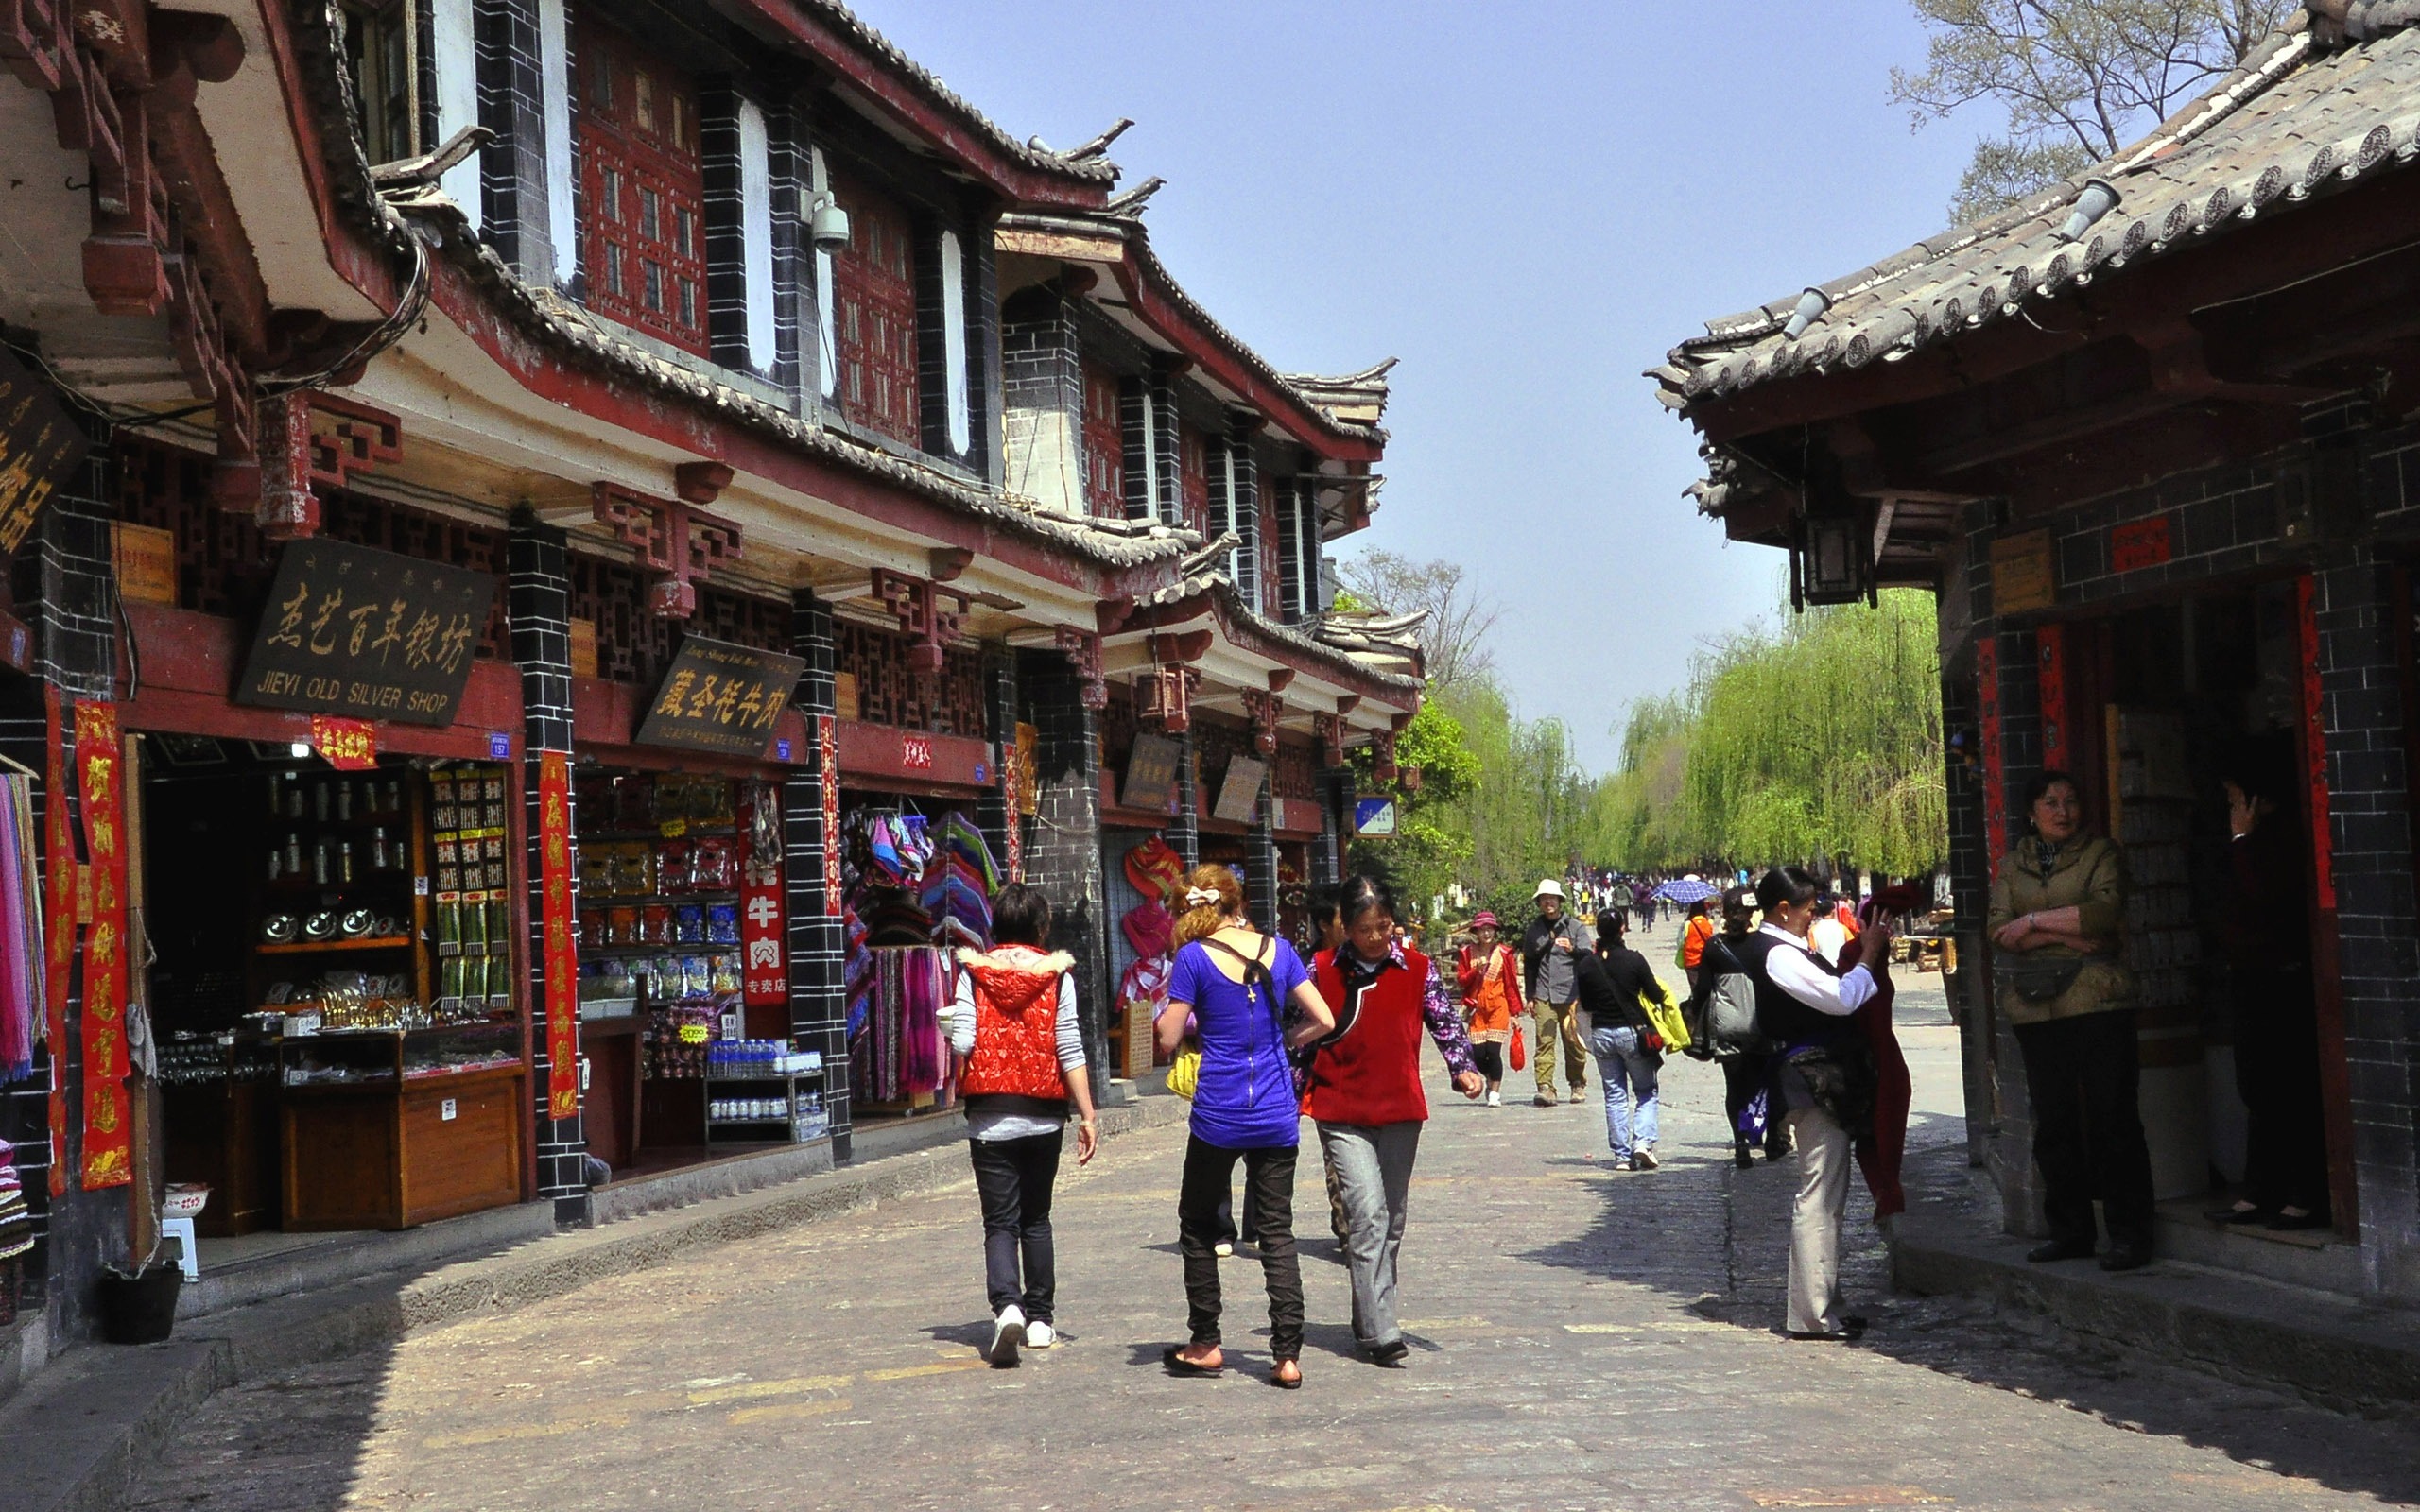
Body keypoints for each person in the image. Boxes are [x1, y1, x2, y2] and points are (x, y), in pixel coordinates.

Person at [1154, 865, 1335, 1388]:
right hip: (1277, 1113)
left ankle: (1207, 1341)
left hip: (1218, 1114)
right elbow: (1323, 1018)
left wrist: (1174, 1019)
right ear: (1238, 903)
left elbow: (1168, 1036)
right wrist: (1288, 1042)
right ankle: (1286, 1356)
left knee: (1197, 1224)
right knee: (1277, 1231)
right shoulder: (1280, 951)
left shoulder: (1192, 958)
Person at [1304, 876, 1484, 1364]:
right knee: (1367, 1216)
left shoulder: (1418, 968)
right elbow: (1295, 1032)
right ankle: (1384, 1329)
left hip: (1401, 1107)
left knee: (1393, 1222)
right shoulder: (1320, 970)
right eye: (1365, 929)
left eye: (1383, 926)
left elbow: (1444, 1022)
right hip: (1341, 1110)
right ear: (1344, 927)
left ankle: (1367, 1317)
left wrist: (1463, 1067)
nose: (1377, 938)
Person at [1988, 770, 2154, 1272]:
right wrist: (2067, 934)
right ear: (2031, 812)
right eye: (2050, 801)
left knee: (2113, 1119)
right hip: (2037, 1007)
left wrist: (2034, 922)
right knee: (2054, 1122)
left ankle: (2128, 1234)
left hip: (2098, 1002)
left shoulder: (2102, 853)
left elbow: (2104, 914)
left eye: (2071, 800)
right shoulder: (2012, 866)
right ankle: (2071, 1230)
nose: (2063, 811)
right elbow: (1998, 930)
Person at [1730, 866, 1890, 1340]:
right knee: (1818, 1193)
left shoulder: (1789, 948)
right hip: (1811, 1079)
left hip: (1822, 1076)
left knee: (1830, 1194)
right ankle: (1810, 1314)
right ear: (1784, 909)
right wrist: (1870, 955)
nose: (1815, 915)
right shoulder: (1778, 955)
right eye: (1809, 907)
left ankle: (1827, 1303)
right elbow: (1841, 999)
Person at [946, 883, 1098, 1366]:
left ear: (996, 926)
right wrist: (1089, 1114)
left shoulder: (972, 974)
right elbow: (1069, 1047)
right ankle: (1040, 1320)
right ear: (1040, 928)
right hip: (1042, 1115)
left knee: (999, 1222)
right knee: (1036, 1219)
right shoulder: (1057, 978)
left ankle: (1006, 1306)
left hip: (989, 1114)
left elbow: (964, 1041)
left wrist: (949, 1029)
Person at [2209, 738, 2330, 1231]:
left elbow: (2262, 894)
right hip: (2250, 978)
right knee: (2256, 1088)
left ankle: (2303, 1193)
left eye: (2237, 797)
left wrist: (2241, 839)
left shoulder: (2280, 837)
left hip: (2285, 979)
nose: (2232, 807)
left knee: (2291, 1089)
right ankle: (2261, 1189)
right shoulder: (2254, 838)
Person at [1694, 885, 1790, 1167]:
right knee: (1771, 1085)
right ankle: (1773, 1139)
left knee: (1735, 1088)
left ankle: (1740, 1144)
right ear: (1752, 914)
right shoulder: (1765, 944)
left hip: (1728, 1027)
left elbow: (1702, 990)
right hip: (1763, 1025)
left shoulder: (1714, 947)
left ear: (1724, 913)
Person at [1575, 911, 1669, 1171]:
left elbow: (1588, 1003)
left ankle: (1621, 1156)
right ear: (1623, 929)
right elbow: (1655, 993)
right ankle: (1643, 1142)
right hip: (1632, 1034)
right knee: (1645, 1090)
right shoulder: (1634, 960)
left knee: (1614, 1095)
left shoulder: (1586, 965)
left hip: (1602, 1034)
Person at [1520, 880, 1590, 1107]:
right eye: (1544, 898)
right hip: (1543, 994)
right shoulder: (1534, 930)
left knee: (1573, 1042)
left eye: (1552, 898)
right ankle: (1545, 1087)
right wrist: (1530, 997)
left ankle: (1577, 1083)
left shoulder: (1575, 927)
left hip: (1572, 994)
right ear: (1539, 902)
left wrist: (1573, 950)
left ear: (1560, 901)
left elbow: (1588, 958)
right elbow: (1529, 965)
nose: (1548, 902)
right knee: (1544, 1041)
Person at [1454, 911, 1522, 1107]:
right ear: (1476, 932)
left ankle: (1494, 1093)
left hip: (1498, 1006)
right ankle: (1490, 1078)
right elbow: (1461, 980)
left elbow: (1510, 984)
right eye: (1482, 929)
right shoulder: (1467, 953)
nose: (1486, 933)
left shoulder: (1504, 953)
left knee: (1493, 1052)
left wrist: (1514, 1013)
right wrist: (1476, 971)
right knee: (1477, 1054)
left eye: (1490, 929)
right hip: (1476, 1008)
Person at [1679, 898, 1717, 991]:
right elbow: (1710, 939)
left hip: (1690, 960)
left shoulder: (1687, 924)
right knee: (1706, 987)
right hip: (1704, 959)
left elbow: (1680, 942)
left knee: (1695, 987)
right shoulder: (1707, 923)